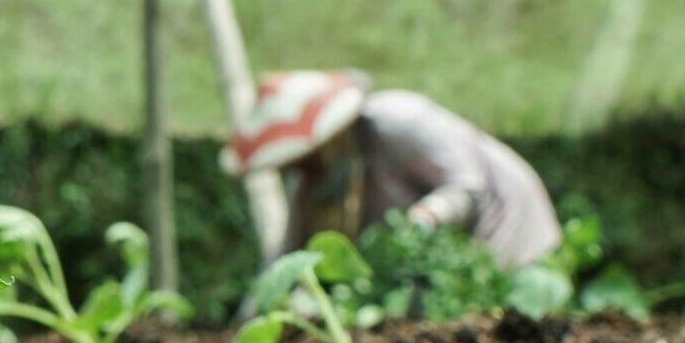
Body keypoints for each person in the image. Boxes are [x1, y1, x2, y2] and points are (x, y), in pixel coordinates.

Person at [222, 70, 562, 268]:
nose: (300, 171)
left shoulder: (398, 120)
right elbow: (288, 258)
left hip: (507, 222)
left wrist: (420, 222)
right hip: (447, 264)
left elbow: (468, 187)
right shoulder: (316, 183)